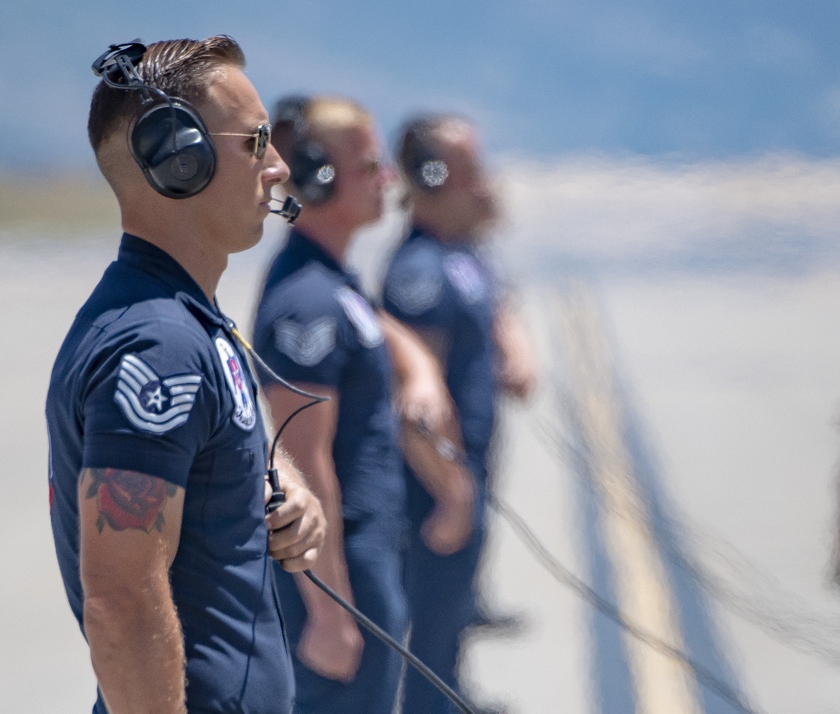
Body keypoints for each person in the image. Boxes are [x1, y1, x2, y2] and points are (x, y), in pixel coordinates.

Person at [45, 36, 325, 714]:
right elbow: (120, 606)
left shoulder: (184, 321)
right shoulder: (159, 346)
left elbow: (213, 436)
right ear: (180, 157)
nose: (280, 168)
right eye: (257, 143)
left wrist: (279, 475)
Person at [251, 95, 475, 714]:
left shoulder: (333, 282)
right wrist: (329, 612)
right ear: (320, 178)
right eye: (369, 166)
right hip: (341, 571)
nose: (387, 180)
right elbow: (303, 463)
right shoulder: (307, 307)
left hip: (370, 557)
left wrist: (421, 369)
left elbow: (376, 324)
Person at [381, 113, 537, 713]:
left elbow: (496, 289)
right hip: (436, 474)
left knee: (453, 610)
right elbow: (412, 400)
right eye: (468, 169)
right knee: (436, 612)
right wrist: (450, 490)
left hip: (468, 458)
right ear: (433, 175)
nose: (482, 182)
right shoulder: (420, 272)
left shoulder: (461, 252)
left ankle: (449, 697)